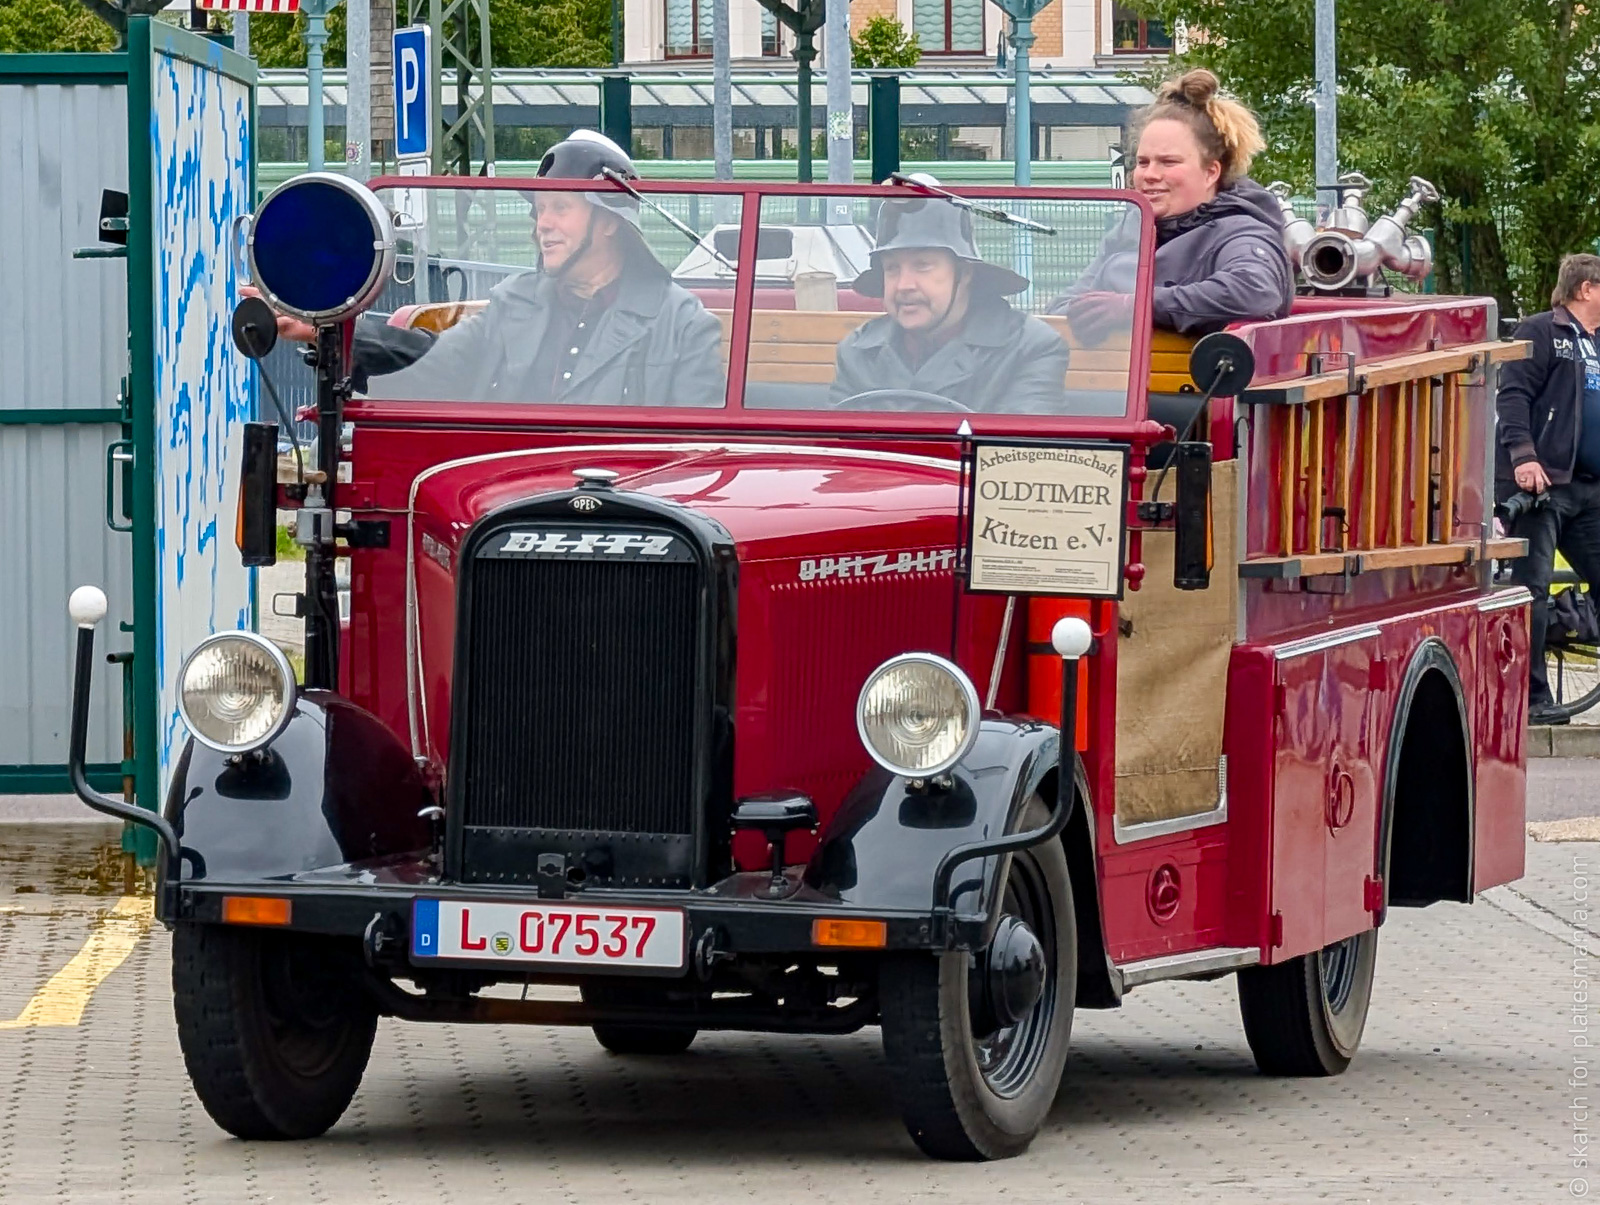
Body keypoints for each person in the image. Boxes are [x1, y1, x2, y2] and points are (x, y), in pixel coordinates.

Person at [256, 131, 725, 406]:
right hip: (508, 505)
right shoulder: (514, 302)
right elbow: (433, 363)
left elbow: (696, 457)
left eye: (561, 208)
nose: (543, 225)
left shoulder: (682, 324)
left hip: (628, 521)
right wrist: (329, 328)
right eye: (539, 210)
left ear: (608, 223)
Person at [1049, 69, 1292, 344]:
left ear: (1211, 172)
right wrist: (1082, 315)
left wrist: (1136, 306)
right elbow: (1063, 306)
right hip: (1113, 371)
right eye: (1143, 162)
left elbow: (1255, 291)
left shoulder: (1242, 232)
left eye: (1168, 162)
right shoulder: (1131, 229)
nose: (1150, 174)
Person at [829, 189, 1069, 412]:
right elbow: (835, 439)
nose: (903, 285)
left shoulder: (1028, 348)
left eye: (922, 265)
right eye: (892, 268)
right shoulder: (857, 352)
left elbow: (1016, 442)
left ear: (964, 274)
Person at [1496, 253, 1600, 725]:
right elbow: (1513, 395)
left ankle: (1569, 623)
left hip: (1588, 487)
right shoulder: (1540, 331)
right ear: (1585, 289)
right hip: (1542, 484)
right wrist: (1524, 456)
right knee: (1531, 589)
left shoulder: (1595, 341)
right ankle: (1532, 697)